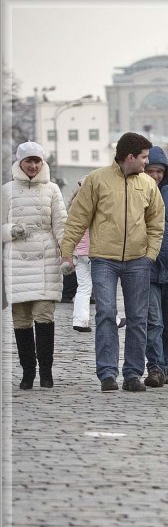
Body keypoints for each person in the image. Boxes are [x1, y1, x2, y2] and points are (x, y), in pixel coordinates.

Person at [61, 132, 164, 392]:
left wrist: (150, 254)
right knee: (106, 314)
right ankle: (107, 373)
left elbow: (156, 223)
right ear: (129, 157)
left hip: (138, 260)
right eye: (143, 157)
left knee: (138, 318)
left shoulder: (148, 185)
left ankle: (132, 374)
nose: (146, 163)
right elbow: (77, 217)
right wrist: (67, 251)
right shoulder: (97, 180)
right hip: (104, 259)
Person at [2, 141, 67, 390]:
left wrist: (67, 253)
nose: (32, 166)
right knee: (21, 319)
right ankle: (28, 371)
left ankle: (46, 372)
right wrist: (11, 231)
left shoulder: (52, 190)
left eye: (37, 161)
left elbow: (61, 224)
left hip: (45, 258)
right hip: (17, 258)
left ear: (43, 163)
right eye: (28, 161)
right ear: (20, 163)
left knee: (44, 315)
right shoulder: (7, 190)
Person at [143, 147, 168, 388]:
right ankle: (155, 366)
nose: (155, 175)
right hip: (146, 268)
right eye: (151, 171)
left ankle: (165, 364)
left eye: (159, 171)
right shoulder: (137, 192)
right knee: (154, 321)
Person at [69, 179, 127, 334]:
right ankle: (113, 319)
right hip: (94, 250)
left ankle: (80, 321)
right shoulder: (95, 203)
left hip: (78, 251)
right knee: (104, 286)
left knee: (84, 286)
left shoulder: (74, 203)